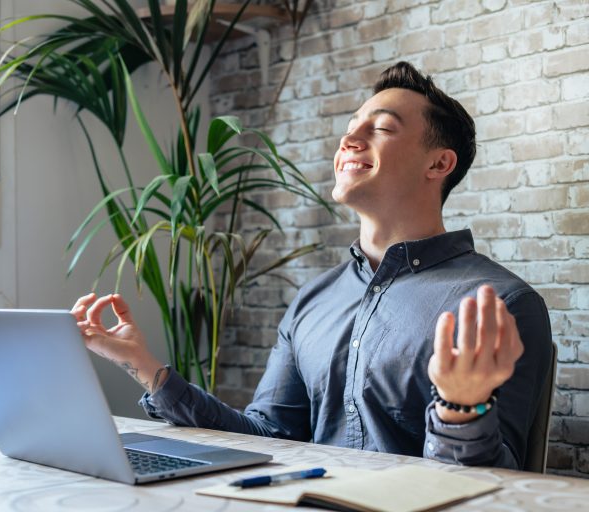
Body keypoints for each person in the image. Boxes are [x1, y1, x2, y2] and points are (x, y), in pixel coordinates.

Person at [71, 61, 552, 470]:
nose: (350, 139)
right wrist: (146, 368)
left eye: (380, 128)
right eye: (350, 128)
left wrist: (461, 408)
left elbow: (498, 489)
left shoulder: (500, 305)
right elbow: (267, 435)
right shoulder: (314, 299)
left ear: (439, 164)